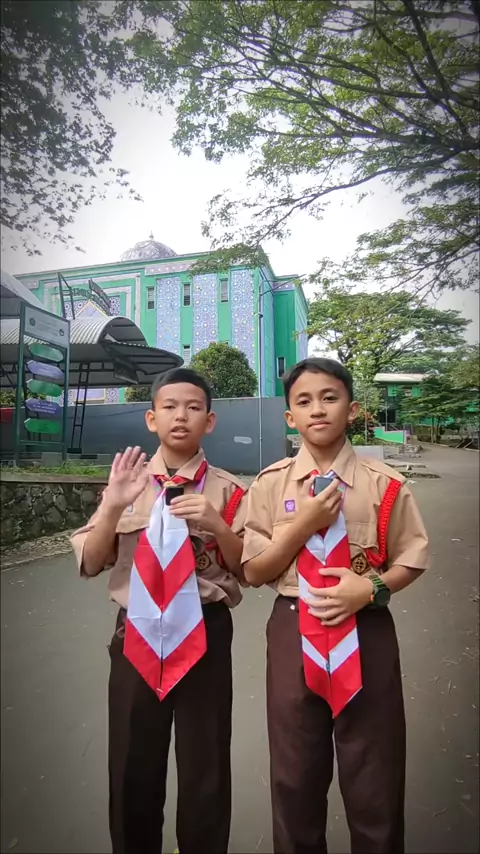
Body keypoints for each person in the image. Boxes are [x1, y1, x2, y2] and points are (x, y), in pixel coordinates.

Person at [241, 357, 429, 854]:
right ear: (290, 417)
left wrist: (370, 589)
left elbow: (412, 558)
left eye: (330, 397)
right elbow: (253, 570)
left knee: (375, 775)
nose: (318, 409)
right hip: (292, 631)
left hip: (367, 630)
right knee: (295, 776)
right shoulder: (270, 485)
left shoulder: (384, 484)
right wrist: (302, 525)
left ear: (352, 408)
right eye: (304, 401)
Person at [70, 368, 248, 854]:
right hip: (137, 634)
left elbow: (250, 569)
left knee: (206, 765)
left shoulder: (229, 490)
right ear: (152, 418)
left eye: (193, 407)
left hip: (205, 633)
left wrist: (218, 525)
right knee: (133, 763)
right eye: (169, 407)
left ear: (209, 420)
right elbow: (91, 561)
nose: (180, 416)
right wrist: (112, 506)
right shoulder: (126, 482)